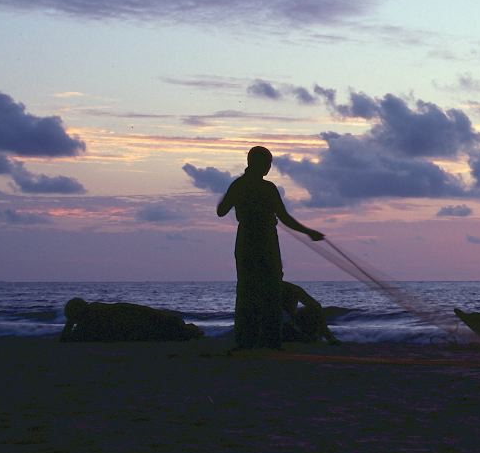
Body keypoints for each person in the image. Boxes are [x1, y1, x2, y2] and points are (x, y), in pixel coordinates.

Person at [218, 146, 324, 350]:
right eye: (267, 163)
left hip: (246, 243)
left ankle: (245, 341)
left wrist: (233, 195)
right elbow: (284, 218)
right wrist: (309, 232)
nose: (269, 167)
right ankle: (271, 341)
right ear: (257, 163)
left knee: (247, 291)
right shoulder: (268, 188)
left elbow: (221, 211)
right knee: (271, 291)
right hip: (265, 242)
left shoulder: (238, 185)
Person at [61, 297, 203, 342]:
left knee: (169, 330)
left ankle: (188, 331)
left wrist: (70, 324)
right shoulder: (95, 312)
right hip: (141, 321)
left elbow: (67, 340)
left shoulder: (92, 319)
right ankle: (188, 331)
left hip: (141, 323)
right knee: (168, 328)